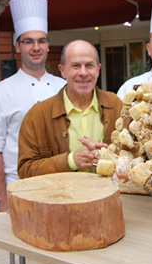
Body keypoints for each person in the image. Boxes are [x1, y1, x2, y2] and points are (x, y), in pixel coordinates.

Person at [0, 0, 66, 211]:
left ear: (48, 46)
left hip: (61, 186)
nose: (36, 47)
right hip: (17, 188)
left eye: (41, 41)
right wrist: (2, 197)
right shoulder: (0, 92)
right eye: (28, 41)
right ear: (17, 47)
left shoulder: (64, 88)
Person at [18, 40, 123, 179]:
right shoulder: (38, 114)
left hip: (109, 197)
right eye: (75, 66)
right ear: (62, 71)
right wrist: (71, 160)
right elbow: (25, 170)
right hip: (61, 198)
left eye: (89, 65)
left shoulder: (116, 105)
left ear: (98, 70)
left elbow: (136, 157)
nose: (83, 73)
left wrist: (107, 155)